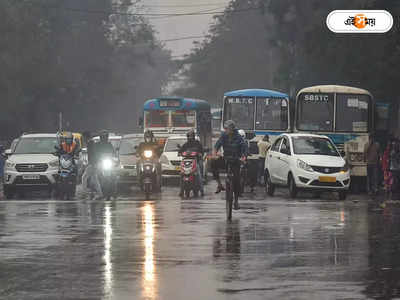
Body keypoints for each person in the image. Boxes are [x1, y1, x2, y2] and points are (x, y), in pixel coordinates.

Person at [211, 120, 247, 210]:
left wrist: (243, 157)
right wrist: (214, 154)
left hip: (235, 160)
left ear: (232, 129)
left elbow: (244, 148)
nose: (226, 130)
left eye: (228, 129)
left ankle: (236, 201)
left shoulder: (238, 137)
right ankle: (219, 184)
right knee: (213, 162)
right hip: (226, 159)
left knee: (237, 179)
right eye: (225, 128)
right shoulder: (223, 136)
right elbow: (216, 146)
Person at [178, 129, 204, 197]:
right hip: (186, 162)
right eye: (188, 136)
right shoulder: (186, 144)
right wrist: (180, 153)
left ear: (194, 136)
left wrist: (200, 154)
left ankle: (201, 190)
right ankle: (181, 191)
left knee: (198, 174)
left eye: (191, 136)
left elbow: (202, 151)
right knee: (181, 174)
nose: (190, 137)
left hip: (196, 161)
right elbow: (180, 151)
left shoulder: (197, 143)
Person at [82, 131, 102, 197]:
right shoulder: (91, 142)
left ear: (85, 137)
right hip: (94, 163)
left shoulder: (90, 143)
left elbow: (92, 154)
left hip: (93, 163)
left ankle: (85, 192)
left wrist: (91, 163)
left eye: (83, 137)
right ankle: (99, 193)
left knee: (84, 177)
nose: (83, 139)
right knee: (94, 179)